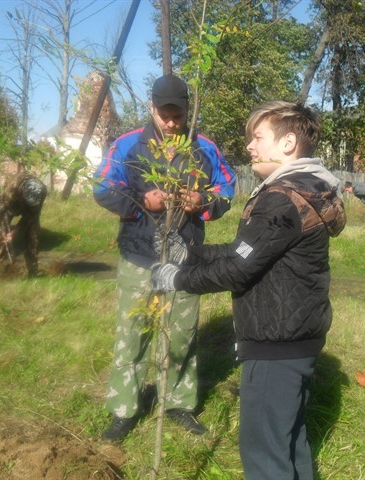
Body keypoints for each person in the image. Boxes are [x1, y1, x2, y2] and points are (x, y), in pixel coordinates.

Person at [151, 101, 346, 479]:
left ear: (288, 142)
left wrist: (176, 278)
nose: (250, 147)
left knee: (264, 456)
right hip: (295, 338)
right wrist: (190, 254)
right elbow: (248, 251)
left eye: (257, 137)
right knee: (290, 444)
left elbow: (239, 269)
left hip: (276, 343)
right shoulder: (300, 190)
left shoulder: (282, 198)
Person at [93, 73, 236, 442]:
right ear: (152, 108)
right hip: (140, 257)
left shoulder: (203, 147)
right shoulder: (128, 145)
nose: (171, 122)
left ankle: (178, 405)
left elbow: (228, 188)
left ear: (188, 109)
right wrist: (142, 200)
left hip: (185, 260)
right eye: (164, 114)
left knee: (183, 336)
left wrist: (201, 202)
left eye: (177, 115)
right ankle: (125, 409)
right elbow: (103, 186)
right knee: (133, 333)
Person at [0, 171, 47, 277]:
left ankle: (32, 271)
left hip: (29, 209)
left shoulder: (42, 191)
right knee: (0, 233)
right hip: (11, 205)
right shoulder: (12, 188)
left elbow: (30, 217)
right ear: (23, 192)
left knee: (33, 236)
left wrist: (13, 233)